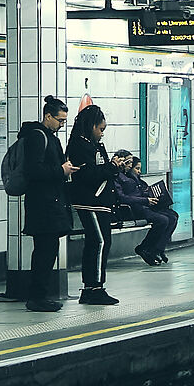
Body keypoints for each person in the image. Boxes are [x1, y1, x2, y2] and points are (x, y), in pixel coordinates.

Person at [18, 95, 76, 312]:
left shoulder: (51, 137)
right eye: (59, 120)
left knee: (48, 250)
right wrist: (61, 171)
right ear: (47, 116)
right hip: (42, 205)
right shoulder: (36, 137)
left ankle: (40, 295)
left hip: (52, 201)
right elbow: (34, 171)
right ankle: (37, 296)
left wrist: (65, 169)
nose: (62, 125)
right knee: (43, 251)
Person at [64, 102, 118, 306]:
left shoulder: (92, 144)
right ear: (91, 126)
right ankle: (92, 288)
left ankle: (96, 286)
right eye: (101, 129)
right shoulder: (80, 145)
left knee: (102, 242)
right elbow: (88, 174)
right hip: (90, 201)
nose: (102, 134)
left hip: (100, 201)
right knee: (98, 242)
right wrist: (111, 168)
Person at [112, 149, 179, 265]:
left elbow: (140, 190)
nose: (129, 165)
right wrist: (145, 200)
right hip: (133, 209)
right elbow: (122, 197)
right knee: (162, 220)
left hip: (143, 205)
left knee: (172, 216)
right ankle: (146, 248)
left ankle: (157, 249)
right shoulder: (117, 176)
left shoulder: (130, 176)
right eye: (127, 162)